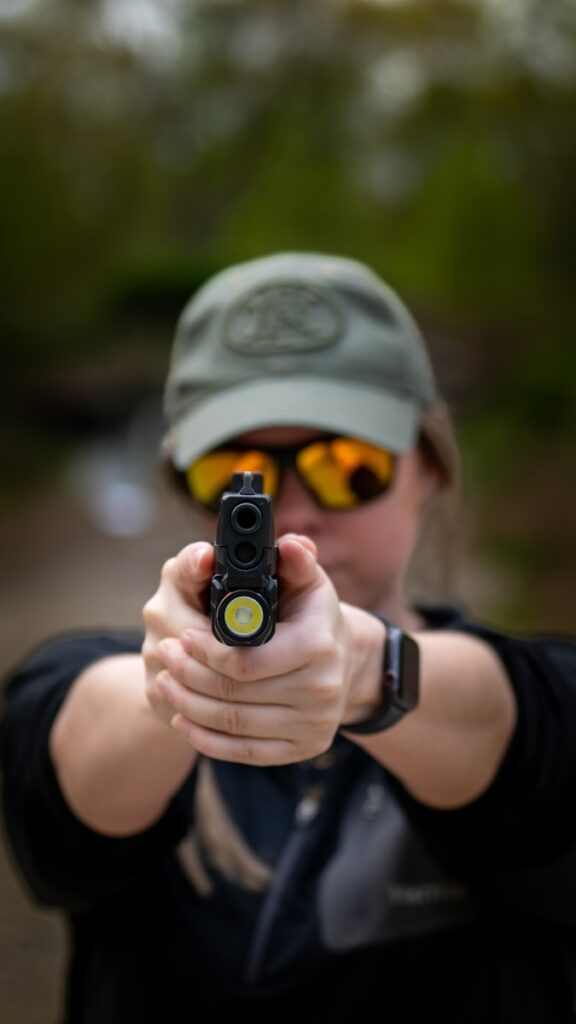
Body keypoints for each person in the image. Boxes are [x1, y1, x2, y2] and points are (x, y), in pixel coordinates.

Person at [2, 252, 576, 1024]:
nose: (293, 508)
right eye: (239, 471)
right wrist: (174, 686)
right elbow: (54, 760)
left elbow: (538, 730)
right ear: (186, 482)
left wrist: (373, 670)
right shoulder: (100, 688)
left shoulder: (528, 702)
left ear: (429, 468)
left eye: (347, 466)